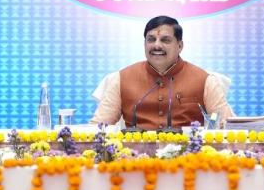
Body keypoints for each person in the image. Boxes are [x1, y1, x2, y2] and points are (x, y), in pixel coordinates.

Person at [90, 15, 235, 130]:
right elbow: (99, 127)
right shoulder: (121, 78)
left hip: (189, 156)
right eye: (151, 39)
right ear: (144, 44)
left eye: (165, 40)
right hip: (135, 156)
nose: (157, 45)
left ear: (180, 46)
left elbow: (226, 127)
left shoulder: (204, 80)